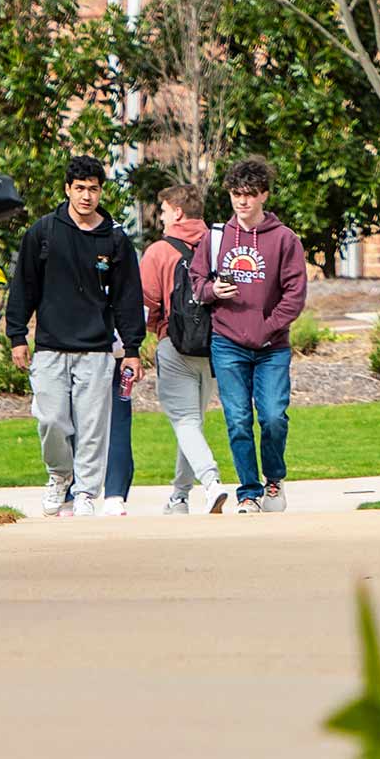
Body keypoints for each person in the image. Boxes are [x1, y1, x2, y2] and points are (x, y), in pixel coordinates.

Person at [3, 155, 144, 518]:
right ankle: (59, 475)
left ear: (101, 192)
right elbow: (24, 287)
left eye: (93, 189)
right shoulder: (43, 232)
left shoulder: (113, 239)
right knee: (51, 419)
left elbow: (128, 295)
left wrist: (132, 348)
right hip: (50, 345)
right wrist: (18, 335)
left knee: (93, 425)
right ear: (67, 190)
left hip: (96, 347)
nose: (86, 196)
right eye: (79, 189)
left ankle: (85, 491)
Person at [189, 157, 307, 514]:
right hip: (227, 343)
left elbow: (294, 296)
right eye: (237, 194)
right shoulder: (215, 237)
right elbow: (196, 282)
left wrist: (267, 327)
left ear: (264, 196)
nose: (243, 201)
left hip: (272, 347)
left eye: (250, 194)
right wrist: (212, 292)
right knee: (238, 419)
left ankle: (273, 479)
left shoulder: (284, 240)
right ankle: (249, 492)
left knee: (272, 416)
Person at [140, 182, 229, 515]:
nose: (161, 217)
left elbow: (147, 303)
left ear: (177, 212)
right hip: (215, 346)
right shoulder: (219, 244)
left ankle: (211, 483)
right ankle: (179, 497)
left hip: (175, 345)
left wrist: (156, 332)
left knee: (186, 421)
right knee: (192, 423)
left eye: (163, 210)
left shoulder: (159, 252)